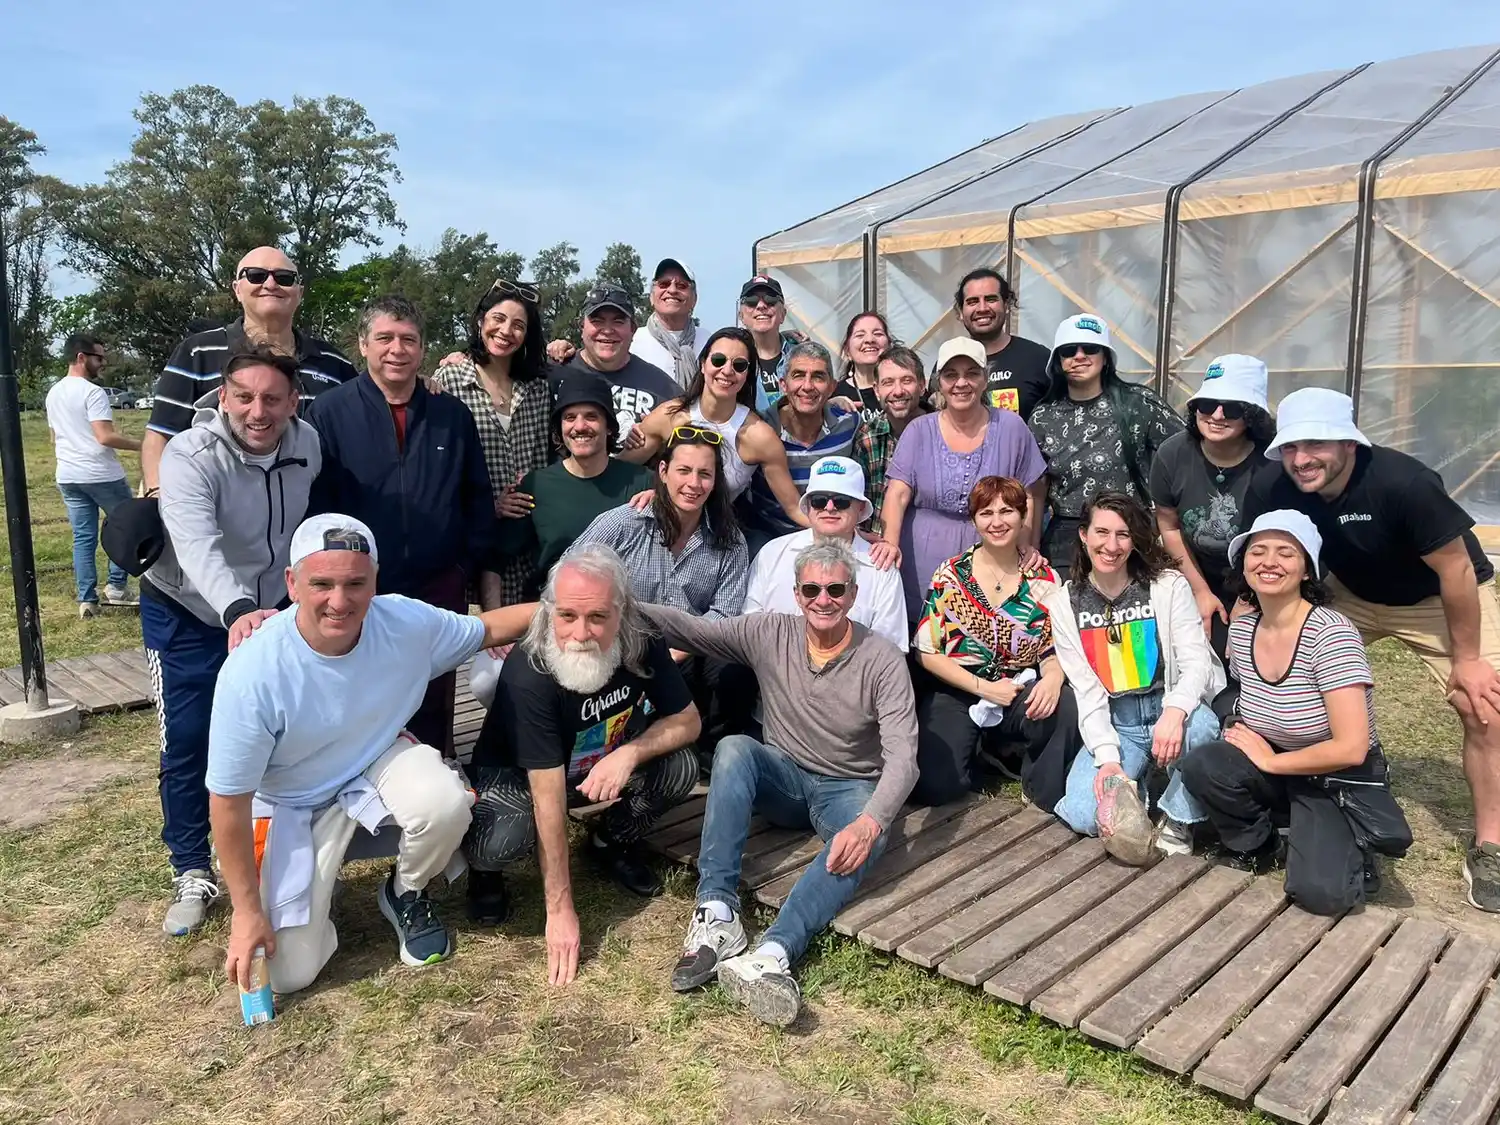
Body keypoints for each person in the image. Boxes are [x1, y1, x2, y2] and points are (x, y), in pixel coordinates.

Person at [207, 515, 536, 994]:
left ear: (375, 581)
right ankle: (311, 891)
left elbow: (487, 628)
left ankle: (406, 890)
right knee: (287, 975)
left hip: (373, 765)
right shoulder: (252, 671)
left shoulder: (404, 621)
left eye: (355, 584)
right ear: (292, 583)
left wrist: (571, 608)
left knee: (443, 802)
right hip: (290, 805)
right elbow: (227, 803)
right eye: (321, 584)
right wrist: (246, 912)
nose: (339, 601)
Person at [1241, 386, 1500, 911]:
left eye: (1316, 444)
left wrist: (1468, 659)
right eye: (1290, 446)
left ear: (1350, 443)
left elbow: (1455, 568)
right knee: (1279, 672)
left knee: (1486, 707)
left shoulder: (1404, 483)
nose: (1301, 459)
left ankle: (1492, 846)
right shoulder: (1272, 483)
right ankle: (1306, 792)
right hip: (1350, 594)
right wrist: (1252, 619)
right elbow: (1261, 551)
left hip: (1436, 597)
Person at [651, 540, 918, 1027]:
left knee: (870, 833)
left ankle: (773, 953)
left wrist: (870, 823)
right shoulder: (770, 631)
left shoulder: (881, 658)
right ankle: (718, 913)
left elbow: (903, 756)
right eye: (812, 589)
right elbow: (694, 629)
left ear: (853, 594)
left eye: (835, 589)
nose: (823, 599)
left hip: (848, 784)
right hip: (785, 775)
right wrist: (616, 604)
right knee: (734, 748)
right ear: (796, 594)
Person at [141, 345, 322, 936]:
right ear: (224, 396)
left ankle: (270, 848)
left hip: (267, 611)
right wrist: (238, 609)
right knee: (188, 737)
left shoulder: (307, 445)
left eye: (272, 399)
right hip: (188, 609)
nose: (257, 411)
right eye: (244, 397)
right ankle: (192, 867)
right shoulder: (189, 454)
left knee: (273, 732)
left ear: (294, 403)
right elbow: (196, 545)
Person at [464, 546, 702, 975]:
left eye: (597, 617)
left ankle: (609, 841)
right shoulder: (530, 671)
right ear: (550, 610)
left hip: (597, 765)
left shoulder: (642, 638)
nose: (580, 633)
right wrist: (560, 909)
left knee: (680, 767)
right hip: (523, 777)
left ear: (621, 613)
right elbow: (547, 796)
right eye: (567, 616)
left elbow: (688, 721)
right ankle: (485, 873)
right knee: (504, 836)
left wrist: (630, 753)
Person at [1180, 511, 1412, 913]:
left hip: (1333, 773)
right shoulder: (1243, 630)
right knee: (1205, 764)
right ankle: (1260, 844)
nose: (1269, 562)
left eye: (1286, 553)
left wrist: (1272, 762)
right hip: (1279, 762)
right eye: (1258, 551)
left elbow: (1351, 747)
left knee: (1323, 894)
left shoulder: (1331, 634)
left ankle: (1348, 839)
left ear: (1307, 569)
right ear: (1243, 564)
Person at [307, 295, 501, 758]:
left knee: (434, 692)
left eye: (408, 340)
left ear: (422, 349)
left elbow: (476, 496)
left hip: (438, 583)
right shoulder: (329, 413)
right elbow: (316, 504)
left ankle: (437, 771)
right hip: (361, 586)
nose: (397, 349)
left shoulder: (451, 415)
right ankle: (363, 779)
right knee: (360, 691)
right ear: (363, 345)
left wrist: (463, 566)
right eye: (385, 338)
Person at [1044, 493, 1224, 853]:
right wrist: (1108, 759)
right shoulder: (1066, 603)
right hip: (1119, 721)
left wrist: (1175, 712)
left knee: (1202, 728)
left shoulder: (1167, 586)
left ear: (1135, 539)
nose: (1111, 546)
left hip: (1169, 706)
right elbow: (1086, 689)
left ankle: (1177, 817)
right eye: (1102, 532)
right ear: (1083, 534)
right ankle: (1135, 788)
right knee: (1083, 814)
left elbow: (1196, 663)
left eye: (1123, 535)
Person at [912, 476, 1079, 808]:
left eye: (1006, 511)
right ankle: (984, 752)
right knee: (935, 786)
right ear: (974, 520)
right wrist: (985, 689)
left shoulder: (1044, 580)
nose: (997, 522)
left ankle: (1041, 789)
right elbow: (926, 651)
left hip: (1018, 687)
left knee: (1065, 704)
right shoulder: (951, 574)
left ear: (1022, 516)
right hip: (960, 686)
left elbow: (1053, 646)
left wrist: (1053, 678)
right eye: (986, 513)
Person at [142, 246, 357, 491]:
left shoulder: (336, 364)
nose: (271, 284)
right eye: (256, 275)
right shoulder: (196, 352)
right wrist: (157, 494)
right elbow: (161, 435)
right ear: (237, 289)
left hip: (319, 508)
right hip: (219, 508)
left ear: (299, 293)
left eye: (284, 278)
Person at [880, 337, 1048, 622]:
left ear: (985, 379)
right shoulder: (919, 430)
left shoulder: (1011, 427)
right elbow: (897, 493)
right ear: (938, 383)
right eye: (951, 375)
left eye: (971, 373)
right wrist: (890, 545)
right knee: (926, 637)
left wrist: (1027, 544)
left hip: (994, 561)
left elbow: (1031, 492)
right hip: (921, 568)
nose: (961, 383)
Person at [1029, 314, 1183, 577]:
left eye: (1090, 348)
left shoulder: (1138, 404)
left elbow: (1185, 452)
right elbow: (1036, 490)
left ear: (1106, 357)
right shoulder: (1043, 416)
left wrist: (1168, 516)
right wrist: (1031, 546)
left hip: (1129, 531)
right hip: (1067, 537)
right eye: (1069, 351)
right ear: (1058, 361)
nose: (1079, 356)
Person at [433, 280, 552, 606]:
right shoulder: (449, 380)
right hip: (471, 544)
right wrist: (488, 505)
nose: (506, 331)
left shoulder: (538, 386)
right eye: (498, 319)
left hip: (525, 545)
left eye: (518, 325)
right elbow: (438, 469)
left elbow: (544, 457)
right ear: (480, 321)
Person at [1151, 355, 1275, 659]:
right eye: (1207, 405)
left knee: (1251, 654)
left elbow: (1282, 540)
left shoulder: (1273, 463)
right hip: (1196, 571)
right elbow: (1169, 527)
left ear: (1252, 414)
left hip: (1264, 578)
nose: (1217, 415)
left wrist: (1250, 598)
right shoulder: (1172, 454)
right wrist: (1200, 591)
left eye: (1232, 408)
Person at [625, 327, 809, 528]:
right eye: (718, 360)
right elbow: (620, 470)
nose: (727, 371)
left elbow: (793, 507)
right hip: (663, 522)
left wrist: (830, 530)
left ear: (747, 374)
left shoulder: (760, 437)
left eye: (739, 365)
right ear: (703, 364)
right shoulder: (669, 416)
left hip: (719, 532)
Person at [505, 372, 654, 590]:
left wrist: (665, 504)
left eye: (591, 417)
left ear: (609, 426)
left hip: (621, 605)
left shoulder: (642, 482)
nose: (580, 426)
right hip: (553, 605)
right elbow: (496, 560)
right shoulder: (535, 485)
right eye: (570, 417)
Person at [745, 456, 907, 650]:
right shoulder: (772, 553)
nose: (829, 508)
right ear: (808, 506)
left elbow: (891, 648)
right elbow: (749, 627)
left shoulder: (882, 567)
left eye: (841, 501)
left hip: (856, 669)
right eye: (819, 501)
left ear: (861, 507)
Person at [46, 333, 141, 617]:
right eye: (99, 357)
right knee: (127, 528)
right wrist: (144, 444)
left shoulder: (53, 393)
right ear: (81, 357)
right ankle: (117, 587)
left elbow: (53, 437)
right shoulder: (93, 392)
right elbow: (104, 436)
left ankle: (87, 600)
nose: (103, 363)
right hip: (100, 473)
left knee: (83, 538)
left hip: (68, 474)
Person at [738, 341, 864, 556]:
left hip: (833, 537)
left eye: (818, 377)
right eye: (798, 375)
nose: (807, 386)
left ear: (832, 386)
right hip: (771, 538)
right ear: (783, 384)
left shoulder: (849, 424)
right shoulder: (760, 430)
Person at [559, 284, 682, 432]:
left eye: (618, 322)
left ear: (633, 329)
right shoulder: (552, 373)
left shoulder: (664, 388)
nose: (607, 330)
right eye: (597, 321)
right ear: (581, 327)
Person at [953, 268, 1052, 419]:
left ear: (1006, 305)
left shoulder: (1039, 359)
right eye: (973, 302)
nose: (982, 308)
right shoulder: (947, 363)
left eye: (991, 299)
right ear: (960, 311)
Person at [854, 345, 930, 537]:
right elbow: (858, 504)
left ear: (922, 385)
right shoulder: (867, 436)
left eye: (907, 380)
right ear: (876, 390)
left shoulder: (943, 431)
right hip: (879, 543)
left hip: (931, 539)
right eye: (888, 382)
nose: (898, 391)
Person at [630, 258, 707, 387]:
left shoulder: (709, 343)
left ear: (694, 299)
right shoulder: (632, 341)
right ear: (651, 297)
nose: (672, 290)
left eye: (682, 285)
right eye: (664, 284)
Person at [738, 274, 799, 412]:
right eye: (751, 300)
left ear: (783, 314)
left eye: (770, 299)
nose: (761, 305)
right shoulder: (731, 361)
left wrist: (834, 400)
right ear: (741, 316)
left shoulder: (802, 356)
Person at [834, 311, 893, 426]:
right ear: (847, 351)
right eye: (860, 335)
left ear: (889, 345)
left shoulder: (903, 389)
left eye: (878, 334)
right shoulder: (835, 395)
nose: (869, 340)